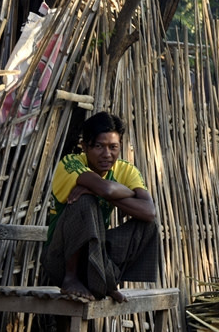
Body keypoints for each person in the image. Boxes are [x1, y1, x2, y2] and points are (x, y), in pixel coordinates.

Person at [41, 111, 160, 302]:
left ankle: (108, 280)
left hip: (96, 256)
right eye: (98, 146)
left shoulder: (125, 170)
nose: (107, 154)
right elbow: (105, 188)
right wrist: (110, 192)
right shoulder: (70, 163)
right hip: (60, 257)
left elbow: (149, 211)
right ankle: (71, 279)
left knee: (148, 226)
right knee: (84, 200)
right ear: (84, 147)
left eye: (113, 147)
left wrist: (105, 192)